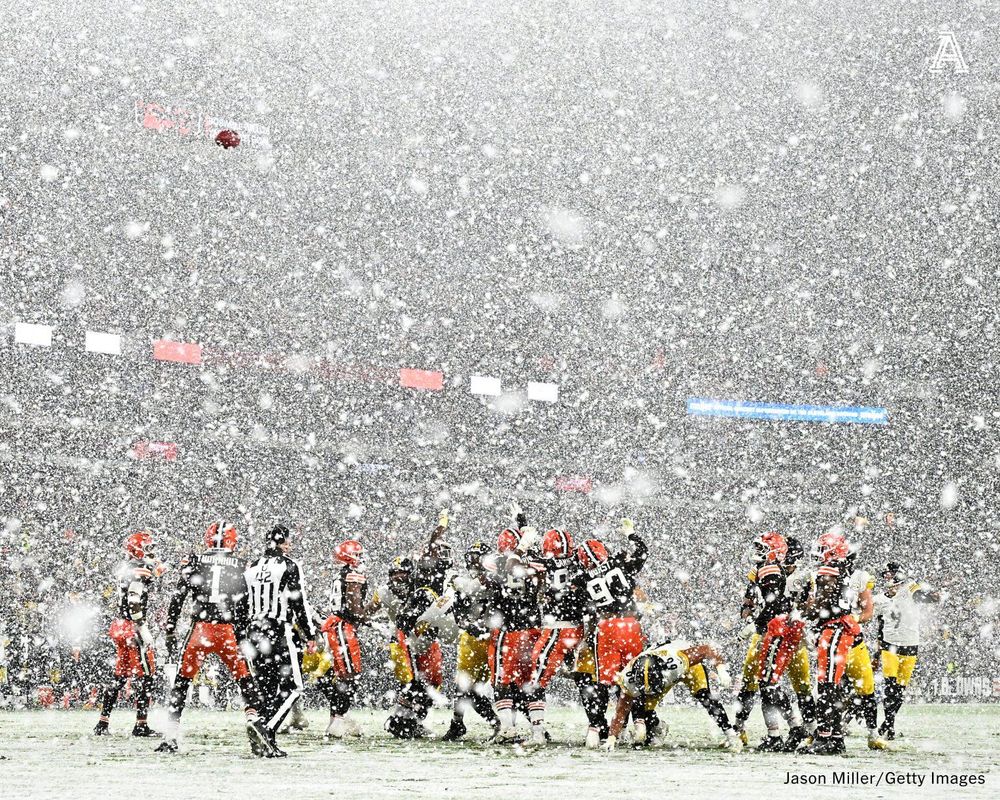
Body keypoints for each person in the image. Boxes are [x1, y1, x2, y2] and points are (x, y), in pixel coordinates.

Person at [159, 520, 276, 757]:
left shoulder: (195, 561)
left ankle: (170, 735)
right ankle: (253, 717)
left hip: (200, 628)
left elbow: (178, 597)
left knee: (182, 681)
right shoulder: (242, 565)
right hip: (228, 629)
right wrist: (242, 633)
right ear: (233, 540)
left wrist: (170, 628)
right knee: (245, 679)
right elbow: (245, 604)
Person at [574, 518, 648, 748]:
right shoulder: (619, 561)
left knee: (603, 681)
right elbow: (642, 552)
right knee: (633, 676)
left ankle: (595, 730)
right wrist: (631, 534)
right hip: (631, 624)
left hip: (606, 627)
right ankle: (639, 723)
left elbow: (582, 607)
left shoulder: (582, 577)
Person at [245, 524, 318, 750]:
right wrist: (310, 634)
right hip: (278, 628)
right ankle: (266, 729)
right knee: (294, 687)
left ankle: (264, 740)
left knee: (266, 687)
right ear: (282, 542)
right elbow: (299, 601)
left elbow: (242, 601)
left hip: (254, 629)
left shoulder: (252, 566)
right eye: (287, 541)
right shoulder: (289, 565)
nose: (290, 545)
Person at [600, 640, 743, 752]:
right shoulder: (629, 677)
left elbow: (707, 649)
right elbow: (621, 711)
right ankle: (658, 728)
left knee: (705, 697)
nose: (650, 692)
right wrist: (611, 737)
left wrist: (721, 669)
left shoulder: (677, 661)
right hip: (659, 673)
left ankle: (731, 735)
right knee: (644, 709)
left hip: (687, 668)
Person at [93, 531, 166, 737]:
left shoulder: (126, 567)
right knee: (147, 676)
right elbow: (134, 598)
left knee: (120, 675)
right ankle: (141, 725)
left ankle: (102, 722)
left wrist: (155, 567)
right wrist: (141, 626)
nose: (151, 550)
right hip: (132, 626)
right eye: (148, 546)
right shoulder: (139, 569)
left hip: (120, 624)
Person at [525, 528, 587, 744]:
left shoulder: (544, 562)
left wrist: (524, 529)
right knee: (589, 679)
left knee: (535, 679)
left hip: (557, 628)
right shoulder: (580, 558)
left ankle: (537, 732)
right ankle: (604, 727)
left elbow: (524, 559)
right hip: (580, 628)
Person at [874, 562, 942, 740]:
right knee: (891, 687)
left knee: (900, 690)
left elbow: (919, 596)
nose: (887, 578)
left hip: (911, 643)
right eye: (886, 575)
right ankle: (889, 725)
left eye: (890, 574)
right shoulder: (879, 600)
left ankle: (888, 723)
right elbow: (878, 624)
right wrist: (877, 649)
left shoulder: (908, 588)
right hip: (890, 645)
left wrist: (931, 597)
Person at [318, 538, 377, 738]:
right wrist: (370, 618)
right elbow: (354, 608)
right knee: (349, 676)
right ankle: (339, 719)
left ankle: (336, 717)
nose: (361, 558)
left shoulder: (340, 573)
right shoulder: (354, 574)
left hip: (335, 624)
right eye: (358, 555)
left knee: (340, 675)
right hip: (343, 626)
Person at [442, 541, 500, 741]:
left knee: (506, 685)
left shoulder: (498, 579)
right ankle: (459, 723)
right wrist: (469, 625)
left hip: (495, 638)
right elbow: (457, 612)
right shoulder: (463, 582)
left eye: (478, 558)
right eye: (471, 558)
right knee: (464, 687)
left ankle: (518, 724)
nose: (474, 563)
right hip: (473, 640)